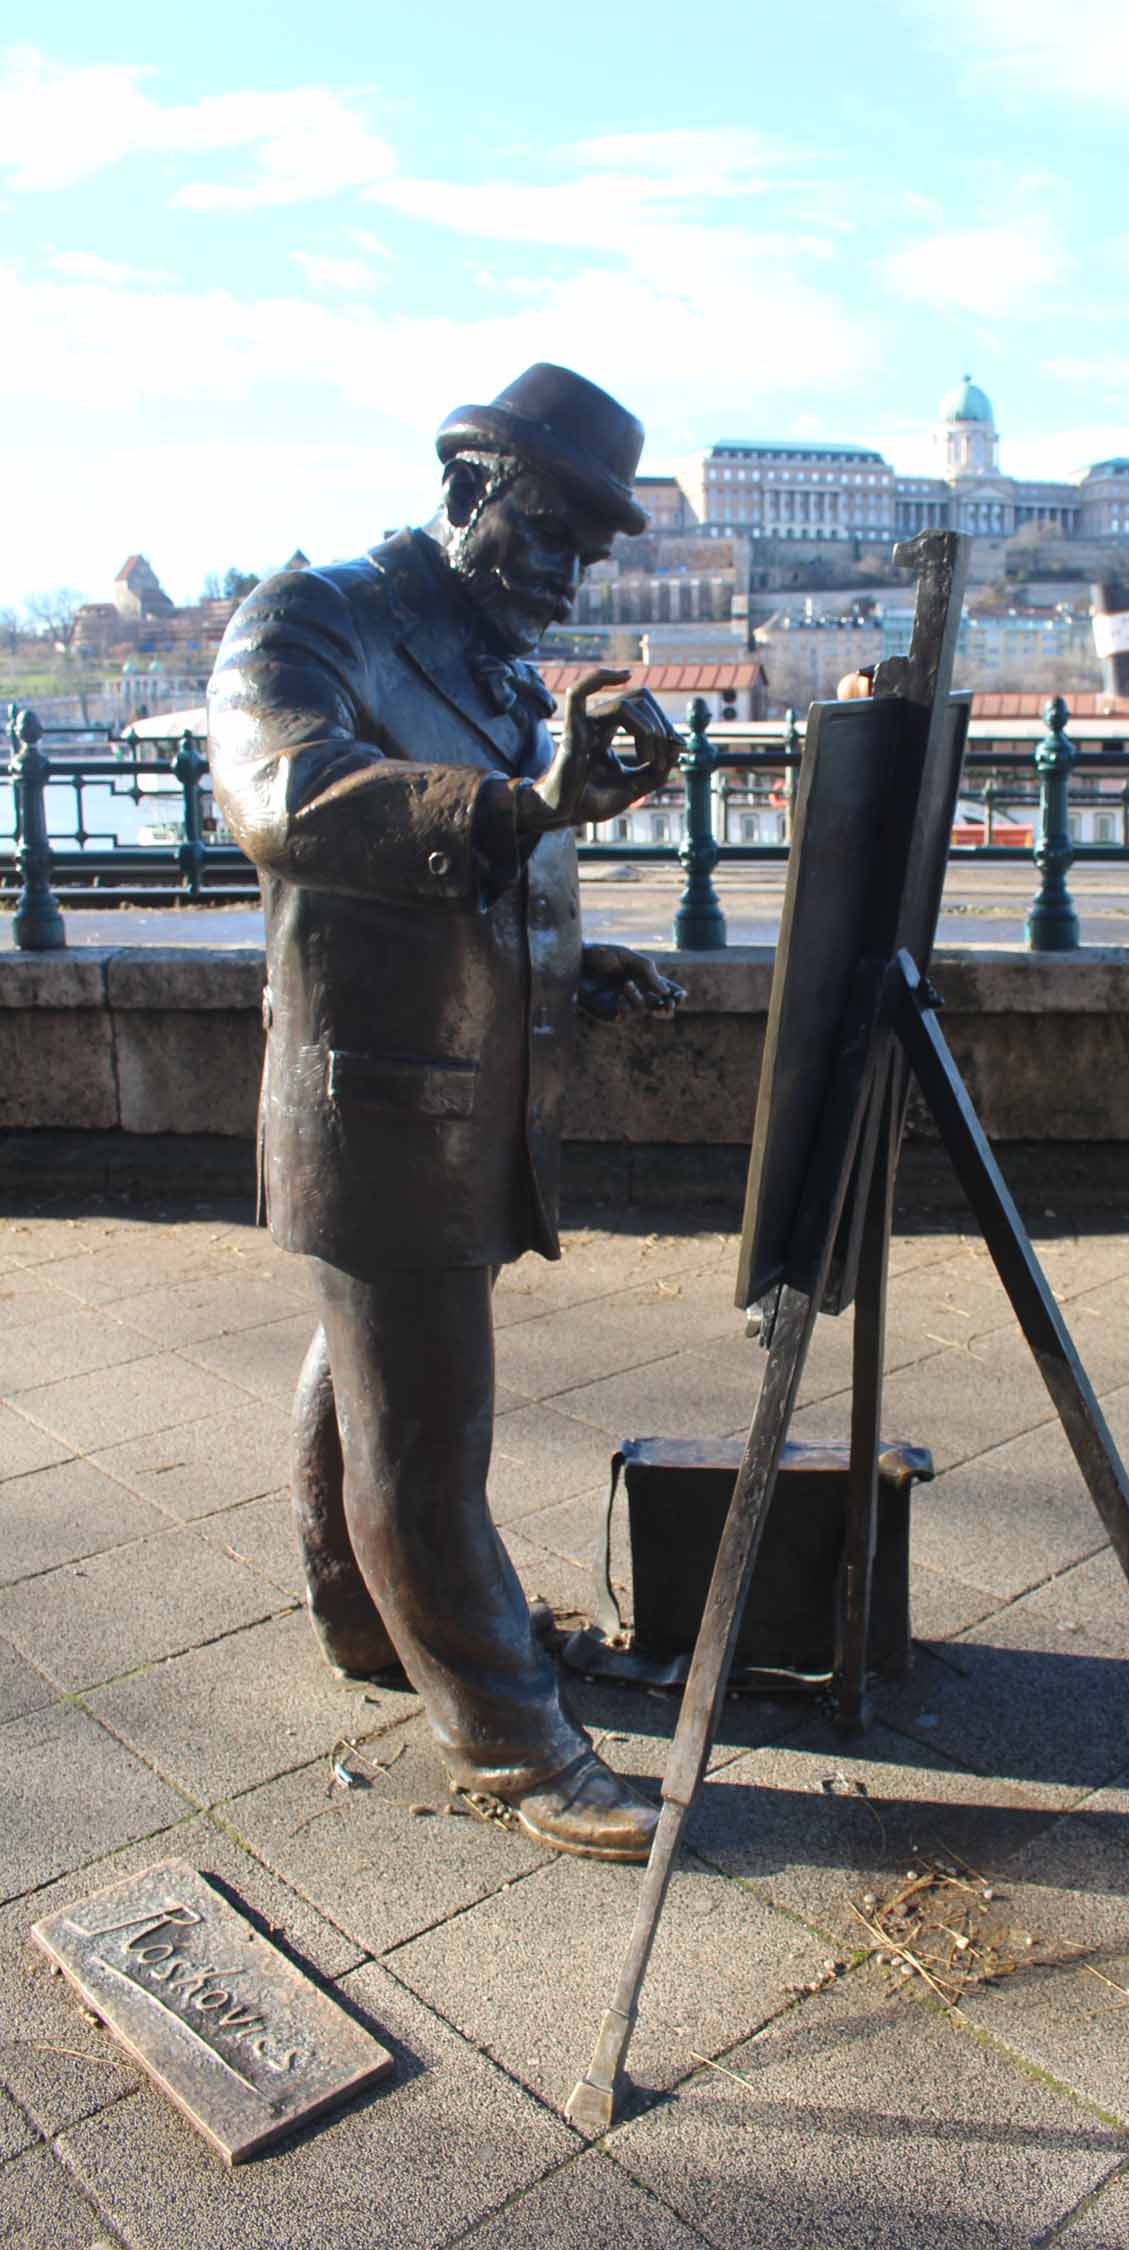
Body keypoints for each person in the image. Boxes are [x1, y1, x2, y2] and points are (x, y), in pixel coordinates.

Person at [207, 364, 685, 1861]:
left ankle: (365, 1620)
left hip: (465, 1092)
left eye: (596, 548)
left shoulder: (493, 668)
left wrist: (572, 962)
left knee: (373, 1362)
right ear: (473, 488)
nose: (570, 572)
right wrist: (525, 804)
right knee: (423, 1428)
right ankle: (509, 1734)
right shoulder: (314, 618)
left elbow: (493, 864)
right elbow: (291, 797)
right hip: (375, 1096)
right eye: (555, 531)